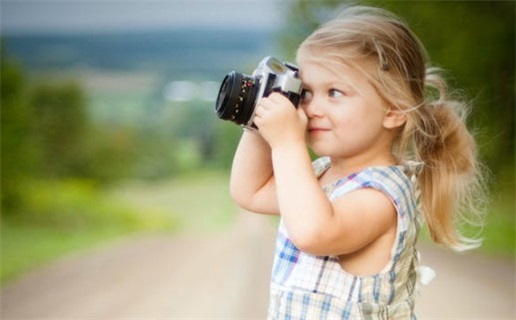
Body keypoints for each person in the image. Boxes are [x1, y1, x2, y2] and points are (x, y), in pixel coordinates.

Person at [229, 5, 486, 319]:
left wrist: (286, 142)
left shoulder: (382, 195)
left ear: (393, 111)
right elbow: (250, 192)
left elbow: (314, 233)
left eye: (334, 92)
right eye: (306, 92)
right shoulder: (320, 174)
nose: (312, 108)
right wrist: (260, 118)